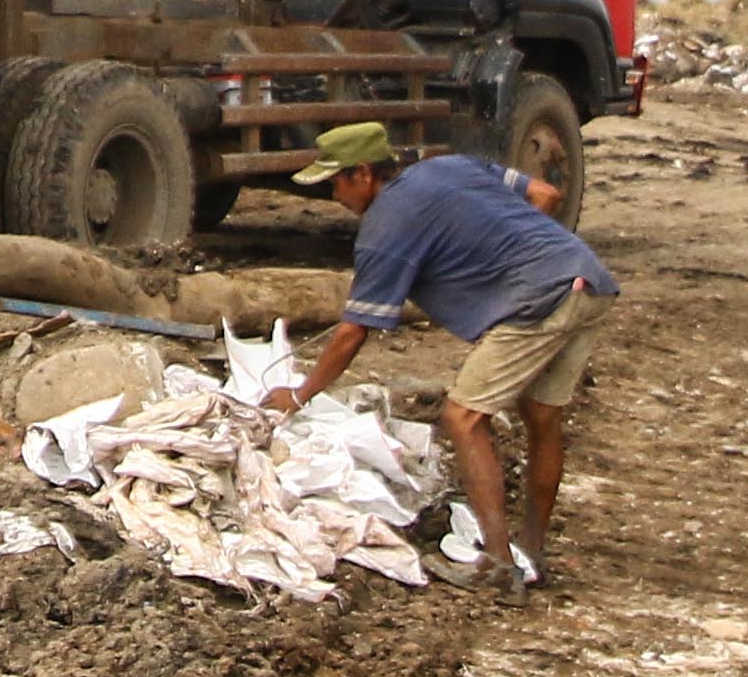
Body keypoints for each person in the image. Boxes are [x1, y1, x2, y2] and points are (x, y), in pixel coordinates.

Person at [259, 119, 617, 590]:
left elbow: (352, 332)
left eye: (336, 183)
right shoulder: (451, 166)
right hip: (586, 280)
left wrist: (300, 396)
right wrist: (513, 256)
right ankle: (531, 550)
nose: (334, 197)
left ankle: (498, 565)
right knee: (540, 416)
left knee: (463, 417)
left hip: (541, 301)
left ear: (364, 174)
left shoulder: (384, 225)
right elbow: (546, 195)